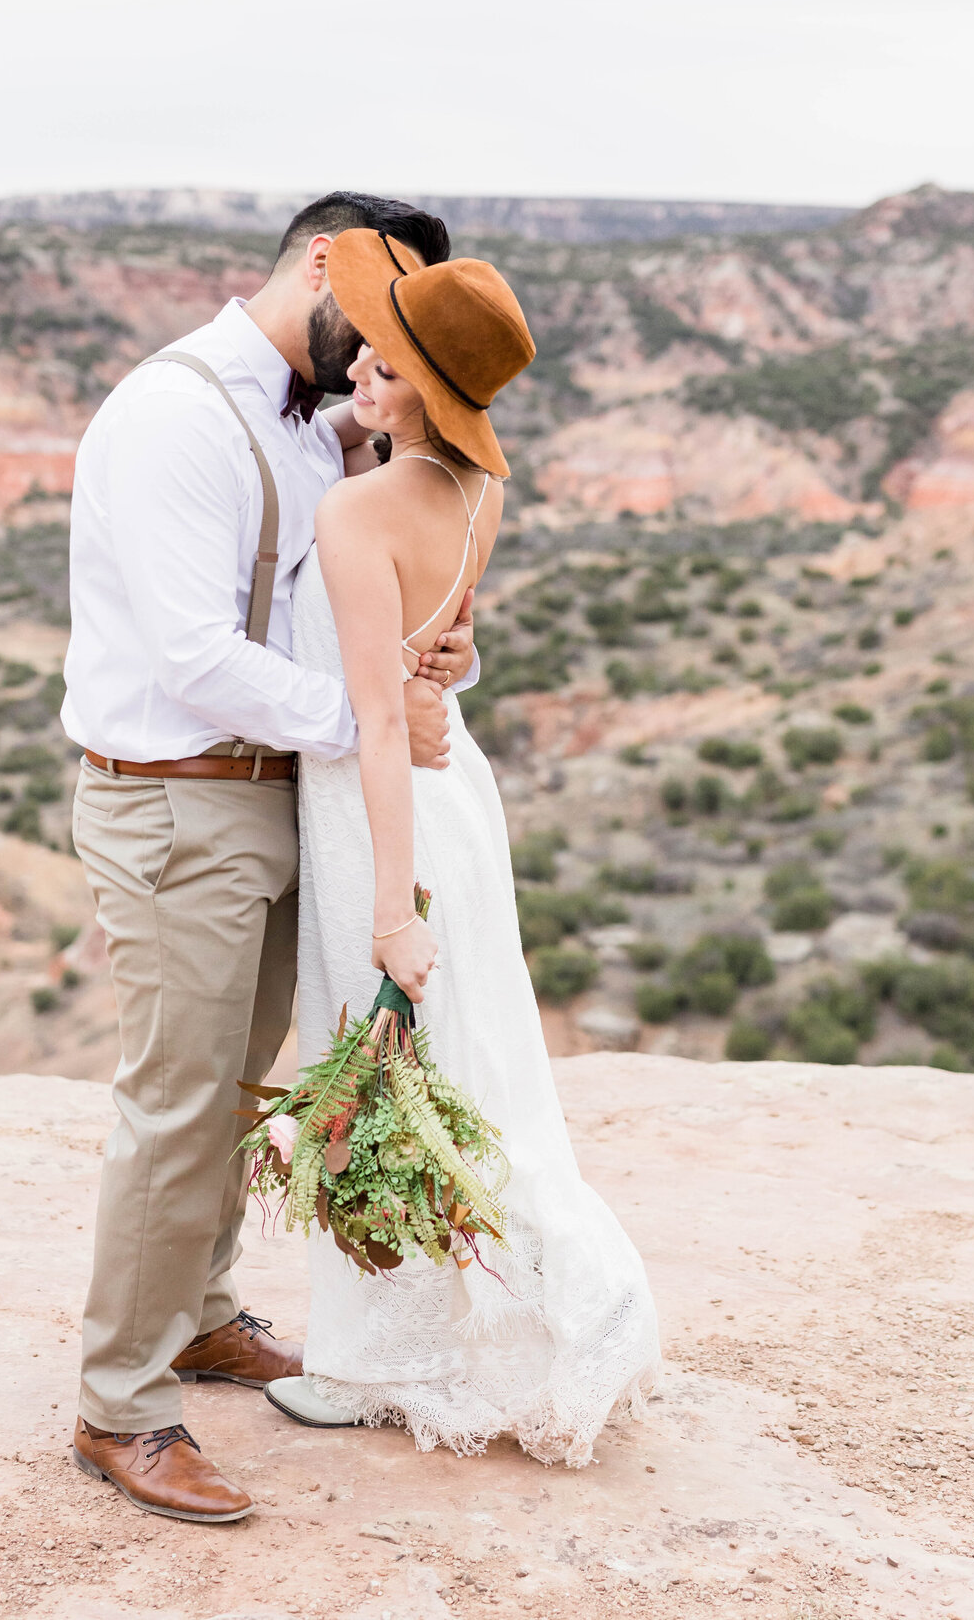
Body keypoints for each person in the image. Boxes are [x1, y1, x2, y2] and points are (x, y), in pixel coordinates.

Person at [63, 193, 480, 1523]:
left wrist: (428, 661)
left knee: (239, 1091)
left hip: (274, 796)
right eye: (383, 308)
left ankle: (195, 1312)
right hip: (179, 802)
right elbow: (194, 654)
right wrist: (373, 723)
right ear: (322, 263)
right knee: (180, 1100)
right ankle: (119, 1401)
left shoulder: (323, 433)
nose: (388, 347)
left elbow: (332, 621)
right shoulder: (179, 415)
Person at [264, 230, 661, 1466]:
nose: (359, 371)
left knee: (386, 1059)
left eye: (381, 362)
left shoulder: (357, 509)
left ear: (421, 386)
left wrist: (393, 912)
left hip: (380, 810)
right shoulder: (477, 490)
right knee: (477, 1069)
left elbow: (381, 723)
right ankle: (509, 1316)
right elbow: (435, 663)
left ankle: (386, 1359)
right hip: (459, 796)